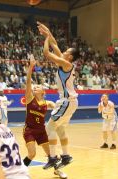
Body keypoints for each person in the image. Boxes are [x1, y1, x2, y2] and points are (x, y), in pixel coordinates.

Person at [37, 22, 80, 169]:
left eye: (66, 51)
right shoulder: (65, 62)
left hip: (66, 101)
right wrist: (48, 32)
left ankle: (53, 157)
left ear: (70, 56)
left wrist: (46, 39)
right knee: (60, 129)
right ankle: (66, 156)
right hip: (70, 101)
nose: (64, 52)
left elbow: (47, 53)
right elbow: (55, 45)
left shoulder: (66, 64)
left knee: (49, 128)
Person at [22, 55, 67, 179]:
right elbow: (28, 83)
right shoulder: (30, 99)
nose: (35, 88)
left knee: (52, 154)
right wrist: (31, 67)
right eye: (34, 87)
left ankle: (57, 170)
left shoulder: (47, 103)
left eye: (38, 87)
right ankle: (20, 172)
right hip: (29, 130)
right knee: (32, 154)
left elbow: (56, 107)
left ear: (43, 92)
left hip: (42, 130)